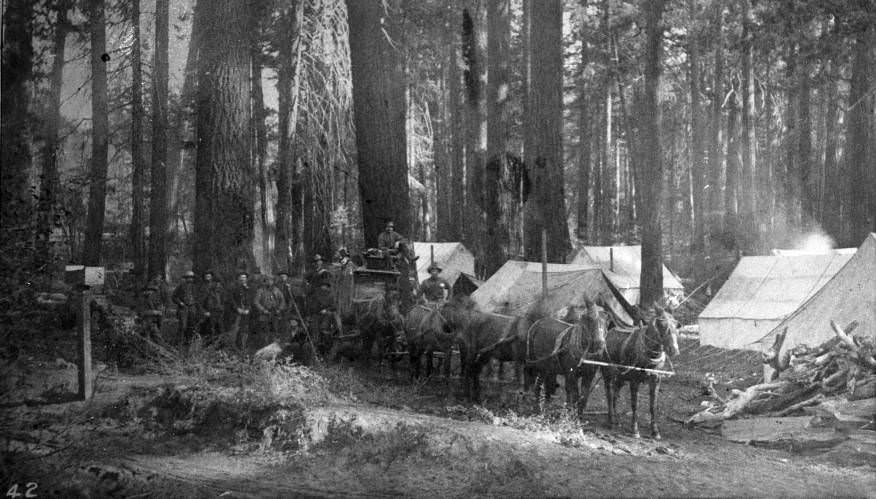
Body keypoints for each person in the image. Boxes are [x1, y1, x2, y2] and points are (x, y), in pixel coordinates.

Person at [307, 280, 342, 354]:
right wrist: (316, 310)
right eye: (322, 286)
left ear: (327, 287)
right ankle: (315, 342)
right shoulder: (316, 295)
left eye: (324, 286)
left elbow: (334, 307)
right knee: (314, 327)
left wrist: (326, 310)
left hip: (327, 314)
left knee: (328, 318)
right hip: (317, 314)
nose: (323, 287)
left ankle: (325, 333)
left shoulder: (331, 296)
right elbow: (312, 305)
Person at [254, 275, 286, 344]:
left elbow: (282, 300)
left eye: (271, 280)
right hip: (265, 313)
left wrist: (279, 309)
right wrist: (263, 310)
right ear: (265, 282)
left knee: (275, 329)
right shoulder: (260, 290)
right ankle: (265, 345)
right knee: (265, 330)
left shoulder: (277, 290)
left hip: (275, 313)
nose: (269, 282)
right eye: (267, 280)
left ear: (273, 282)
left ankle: (274, 345)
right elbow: (256, 302)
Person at [172, 271, 200, 349]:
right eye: (188, 277)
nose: (190, 279)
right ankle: (178, 344)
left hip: (192, 308)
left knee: (191, 326)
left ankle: (188, 343)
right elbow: (174, 297)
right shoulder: (181, 286)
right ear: (186, 278)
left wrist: (196, 305)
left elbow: (198, 298)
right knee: (182, 326)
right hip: (183, 308)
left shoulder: (195, 287)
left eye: (191, 278)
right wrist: (180, 303)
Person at [229, 271, 254, 351]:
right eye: (241, 277)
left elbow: (250, 300)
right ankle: (234, 347)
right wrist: (237, 308)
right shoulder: (234, 288)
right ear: (238, 279)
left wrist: (248, 309)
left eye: (244, 278)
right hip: (236, 313)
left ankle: (243, 347)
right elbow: (231, 300)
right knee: (236, 329)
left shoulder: (248, 289)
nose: (242, 279)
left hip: (246, 312)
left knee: (245, 329)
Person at [199, 270, 224, 340]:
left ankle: (218, 345)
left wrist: (221, 307)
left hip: (217, 311)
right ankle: (208, 344)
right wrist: (204, 312)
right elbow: (200, 302)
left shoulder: (218, 289)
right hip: (208, 311)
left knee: (219, 328)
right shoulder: (203, 288)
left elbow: (222, 300)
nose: (208, 277)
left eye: (209, 276)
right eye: (206, 276)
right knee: (208, 329)